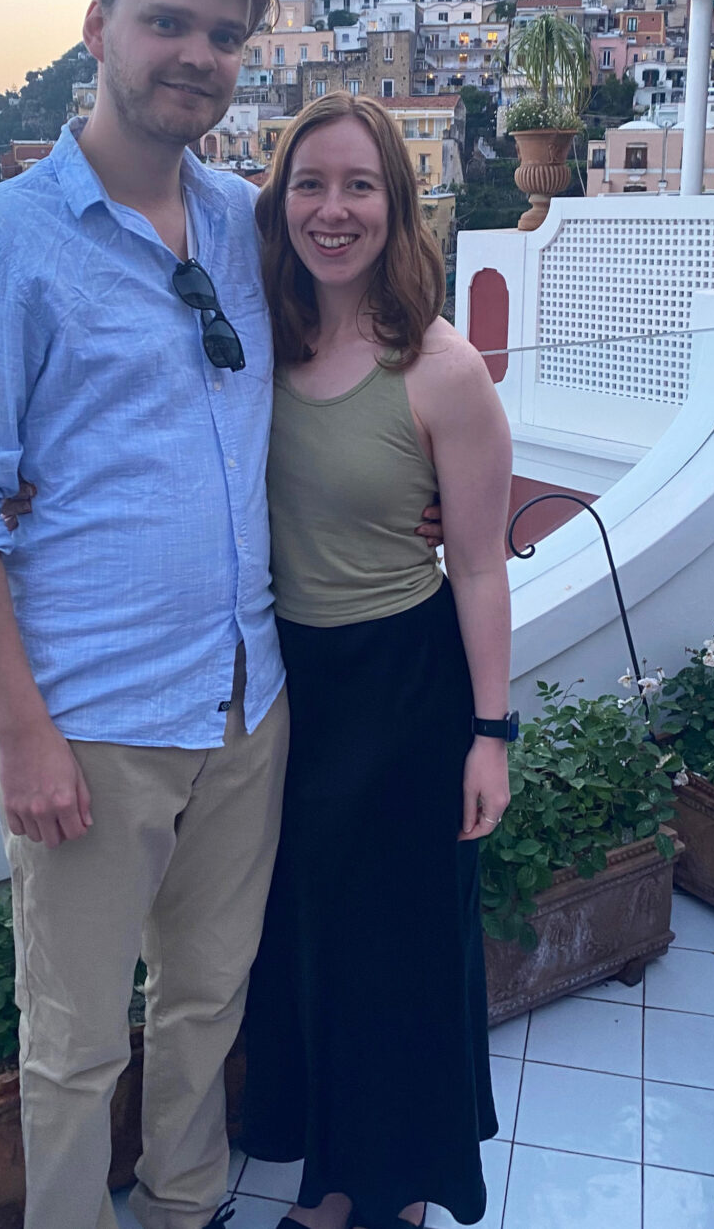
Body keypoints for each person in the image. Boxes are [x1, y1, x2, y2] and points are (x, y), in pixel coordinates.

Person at [0, 0, 288, 1229]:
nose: (197, 53)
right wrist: (22, 735)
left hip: (249, 692)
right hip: (96, 715)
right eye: (168, 20)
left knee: (207, 996)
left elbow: (348, 369)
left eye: (223, 36)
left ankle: (188, 1206)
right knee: (72, 1040)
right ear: (98, 28)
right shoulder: (0, 244)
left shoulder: (250, 223)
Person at [235, 96, 513, 1229]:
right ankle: (329, 1177)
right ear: (280, 199)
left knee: (394, 953)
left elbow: (482, 568)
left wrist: (490, 734)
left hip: (403, 692)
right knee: (301, 942)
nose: (332, 208)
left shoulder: (440, 367)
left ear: (396, 204)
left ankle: (389, 1190)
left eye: (359, 185)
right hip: (281, 685)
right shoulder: (250, 337)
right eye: (310, 184)